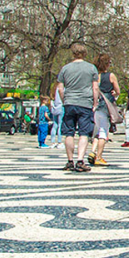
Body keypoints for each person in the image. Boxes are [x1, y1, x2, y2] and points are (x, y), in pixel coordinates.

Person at [54, 43, 99, 173]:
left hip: (69, 102)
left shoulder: (65, 69)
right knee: (84, 133)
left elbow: (60, 89)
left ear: (72, 53)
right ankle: (80, 160)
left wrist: (64, 101)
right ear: (85, 53)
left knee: (69, 132)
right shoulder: (91, 68)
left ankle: (69, 161)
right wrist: (95, 103)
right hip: (85, 102)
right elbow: (95, 88)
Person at [85, 53, 120, 167]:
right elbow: (117, 91)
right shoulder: (110, 76)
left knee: (97, 130)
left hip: (95, 105)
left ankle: (93, 151)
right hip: (106, 106)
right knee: (103, 132)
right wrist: (115, 93)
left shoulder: (93, 76)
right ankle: (99, 157)